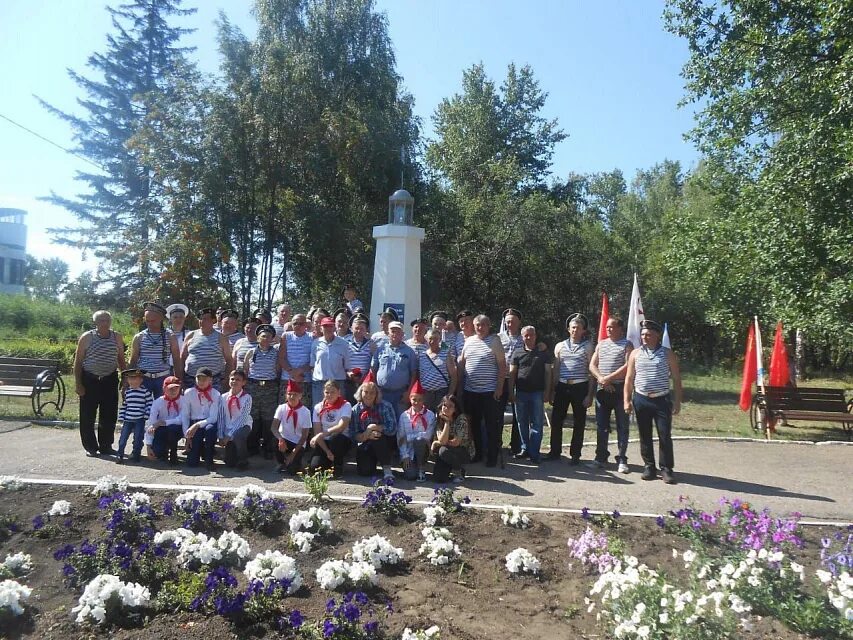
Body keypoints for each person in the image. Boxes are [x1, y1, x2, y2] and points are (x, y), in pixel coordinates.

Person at [624, 319, 682, 484]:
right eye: (643, 334)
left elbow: (677, 379)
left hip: (662, 400)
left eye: (648, 334)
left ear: (657, 335)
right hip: (641, 399)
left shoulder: (667, 353)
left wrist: (677, 402)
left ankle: (666, 469)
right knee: (644, 434)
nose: (645, 337)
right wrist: (626, 400)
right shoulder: (635, 354)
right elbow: (629, 379)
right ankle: (649, 466)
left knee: (664, 435)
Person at [73, 310, 127, 456]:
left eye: (107, 320)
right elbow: (78, 362)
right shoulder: (87, 337)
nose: (105, 323)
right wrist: (78, 383)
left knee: (109, 414)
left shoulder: (116, 337)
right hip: (89, 380)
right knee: (87, 415)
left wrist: (125, 378)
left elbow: (121, 359)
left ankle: (106, 445)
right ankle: (90, 447)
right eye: (101, 320)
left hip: (109, 379)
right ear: (95, 322)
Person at [459, 314, 506, 467]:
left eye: (483, 325)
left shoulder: (495, 341)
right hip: (471, 391)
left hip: (489, 391)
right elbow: (463, 363)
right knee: (474, 425)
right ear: (474, 326)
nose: (480, 327)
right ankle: (478, 454)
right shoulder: (469, 341)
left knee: (491, 425)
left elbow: (502, 365)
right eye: (477, 325)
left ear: (489, 326)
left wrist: (499, 387)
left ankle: (492, 456)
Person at [547, 313, 595, 464]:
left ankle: (575, 454)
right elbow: (556, 369)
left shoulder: (588, 347)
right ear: (569, 329)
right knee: (556, 420)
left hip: (580, 386)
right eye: (573, 327)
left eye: (578, 328)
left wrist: (590, 394)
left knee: (579, 421)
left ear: (583, 330)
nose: (575, 330)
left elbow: (592, 370)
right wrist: (553, 390)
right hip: (562, 386)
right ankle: (555, 452)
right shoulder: (560, 346)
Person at [589, 316, 633, 473]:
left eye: (612, 327)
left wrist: (608, 379)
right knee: (601, 426)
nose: (608, 329)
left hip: (620, 389)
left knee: (622, 426)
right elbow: (592, 365)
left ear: (620, 328)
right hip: (603, 390)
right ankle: (600, 457)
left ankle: (622, 459)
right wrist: (601, 379)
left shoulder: (627, 345)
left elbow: (628, 365)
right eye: (607, 327)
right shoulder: (601, 344)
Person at [509, 325, 553, 463]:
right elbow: (512, 374)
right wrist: (511, 391)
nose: (528, 337)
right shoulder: (516, 353)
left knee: (537, 423)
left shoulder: (543, 353)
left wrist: (547, 392)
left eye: (531, 335)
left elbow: (548, 373)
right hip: (520, 392)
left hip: (537, 393)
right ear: (522, 337)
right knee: (521, 423)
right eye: (526, 335)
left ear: (535, 336)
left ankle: (534, 453)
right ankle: (525, 449)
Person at [128, 302, 183, 398]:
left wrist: (178, 381)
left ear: (161, 318)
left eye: (153, 321)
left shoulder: (170, 336)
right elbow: (133, 361)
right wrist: (127, 381)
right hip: (143, 379)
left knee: (164, 408)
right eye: (147, 321)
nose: (149, 324)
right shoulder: (139, 337)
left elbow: (176, 360)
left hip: (163, 379)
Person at [349, 372, 397, 479]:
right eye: (366, 392)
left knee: (377, 436)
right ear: (361, 393)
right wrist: (366, 435)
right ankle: (373, 462)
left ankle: (387, 468)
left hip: (385, 441)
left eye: (372, 393)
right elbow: (353, 433)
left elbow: (392, 428)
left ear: (377, 394)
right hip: (365, 442)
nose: (369, 395)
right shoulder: (355, 410)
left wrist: (373, 427)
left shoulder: (385, 406)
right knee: (365, 471)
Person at [244, 323, 281, 458]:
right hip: (253, 387)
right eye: (263, 336)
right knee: (253, 418)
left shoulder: (276, 353)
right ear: (258, 337)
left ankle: (268, 448)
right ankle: (252, 447)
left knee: (268, 419)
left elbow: (277, 370)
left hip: (270, 388)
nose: (265, 339)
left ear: (272, 339)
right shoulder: (251, 352)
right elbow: (246, 370)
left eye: (268, 337)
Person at [371, 320, 418, 418]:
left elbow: (414, 374)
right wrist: (376, 390)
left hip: (401, 394)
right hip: (382, 393)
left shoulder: (409, 352)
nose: (395, 334)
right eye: (392, 331)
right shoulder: (380, 350)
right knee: (382, 419)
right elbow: (373, 370)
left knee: (401, 421)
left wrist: (408, 392)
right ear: (388, 333)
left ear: (402, 334)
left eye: (398, 331)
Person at [181, 307, 234, 390]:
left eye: (205, 319)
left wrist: (226, 379)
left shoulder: (221, 338)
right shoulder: (191, 335)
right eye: (200, 319)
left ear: (213, 320)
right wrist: (180, 379)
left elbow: (229, 360)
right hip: (191, 380)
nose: (201, 321)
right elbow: (182, 358)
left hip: (214, 381)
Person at [308, 380, 353, 478]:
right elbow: (317, 431)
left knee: (335, 438)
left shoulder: (346, 405)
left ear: (339, 392)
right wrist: (327, 451)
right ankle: (328, 461)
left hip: (340, 440)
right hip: (324, 442)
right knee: (314, 469)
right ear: (323, 393)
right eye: (327, 392)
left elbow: (341, 427)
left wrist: (322, 434)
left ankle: (338, 465)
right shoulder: (318, 407)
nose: (329, 395)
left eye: (333, 392)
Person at [181, 367, 221, 470]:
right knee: (192, 463)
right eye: (199, 379)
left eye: (204, 379)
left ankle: (209, 458)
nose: (201, 382)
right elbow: (185, 415)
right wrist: (187, 435)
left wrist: (197, 425)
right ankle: (199, 449)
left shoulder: (215, 394)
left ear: (210, 380)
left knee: (210, 430)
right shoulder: (188, 393)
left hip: (208, 423)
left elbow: (213, 417)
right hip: (194, 424)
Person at [398, 379, 436, 481]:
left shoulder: (430, 415)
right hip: (409, 452)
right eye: (414, 399)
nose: (417, 402)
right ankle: (412, 466)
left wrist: (408, 437)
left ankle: (422, 468)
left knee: (419, 440)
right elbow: (400, 438)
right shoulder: (404, 416)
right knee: (410, 476)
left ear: (424, 400)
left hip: (423, 449)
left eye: (420, 400)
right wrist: (405, 456)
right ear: (410, 399)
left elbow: (427, 435)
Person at [431, 395, 474, 484]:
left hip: (462, 450)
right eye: (444, 405)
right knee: (439, 479)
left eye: (450, 406)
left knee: (443, 451)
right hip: (447, 450)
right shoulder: (439, 418)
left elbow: (456, 443)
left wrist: (436, 443)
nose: (446, 408)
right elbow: (442, 440)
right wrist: (446, 423)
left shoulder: (461, 419)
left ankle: (459, 472)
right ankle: (448, 469)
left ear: (455, 409)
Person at [271, 379, 312, 475]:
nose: (292, 397)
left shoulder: (305, 411)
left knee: (292, 471)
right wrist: (280, 439)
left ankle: (296, 463)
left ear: (300, 396)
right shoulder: (281, 408)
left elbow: (304, 436)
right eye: (289, 394)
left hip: (298, 443)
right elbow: (273, 427)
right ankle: (281, 463)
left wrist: (293, 454)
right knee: (274, 440)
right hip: (284, 440)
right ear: (286, 395)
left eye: (295, 394)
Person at [499, 308, 524, 455]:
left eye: (513, 321)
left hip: (518, 379)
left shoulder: (524, 337)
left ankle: (516, 446)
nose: (510, 324)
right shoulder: (498, 337)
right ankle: (498, 444)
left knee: (518, 414)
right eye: (507, 321)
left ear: (519, 322)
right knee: (497, 414)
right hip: (502, 379)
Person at [310, 316, 351, 403]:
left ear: (334, 327)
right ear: (321, 328)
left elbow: (347, 365)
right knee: (318, 410)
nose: (328, 329)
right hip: (319, 383)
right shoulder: (316, 343)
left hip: (338, 383)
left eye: (330, 326)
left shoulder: (344, 344)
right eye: (325, 326)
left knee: (338, 409)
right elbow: (312, 365)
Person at [116, 368, 153, 464]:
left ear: (141, 380)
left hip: (139, 419)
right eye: (130, 379)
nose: (133, 381)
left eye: (135, 378)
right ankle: (120, 455)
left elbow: (149, 404)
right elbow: (125, 405)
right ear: (127, 380)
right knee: (123, 438)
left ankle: (136, 455)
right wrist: (121, 417)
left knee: (138, 438)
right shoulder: (128, 392)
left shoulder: (145, 391)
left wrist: (146, 415)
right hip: (128, 419)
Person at [146, 376, 185, 464]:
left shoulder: (184, 400)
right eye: (170, 388)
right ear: (164, 389)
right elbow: (151, 423)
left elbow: (182, 419)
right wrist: (148, 445)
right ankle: (163, 450)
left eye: (176, 388)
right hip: (161, 429)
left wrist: (164, 422)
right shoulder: (157, 402)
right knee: (157, 452)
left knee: (172, 429)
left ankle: (173, 453)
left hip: (178, 428)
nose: (173, 391)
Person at [418, 328, 457, 413]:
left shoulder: (446, 354)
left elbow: (453, 376)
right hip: (426, 394)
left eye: (435, 339)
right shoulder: (421, 355)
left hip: (442, 393)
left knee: (442, 419)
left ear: (439, 340)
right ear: (426, 339)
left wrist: (450, 394)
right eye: (430, 338)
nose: (432, 341)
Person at [220, 370, 253, 470]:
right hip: (228, 427)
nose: (234, 381)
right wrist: (221, 435)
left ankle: (243, 460)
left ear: (243, 382)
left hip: (243, 425)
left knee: (238, 436)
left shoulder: (247, 397)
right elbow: (221, 417)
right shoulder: (223, 397)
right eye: (232, 379)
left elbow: (243, 418)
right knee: (230, 463)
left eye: (238, 379)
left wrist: (229, 435)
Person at [278, 312, 313, 405]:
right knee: (285, 410)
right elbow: (281, 358)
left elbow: (313, 360)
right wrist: (292, 372)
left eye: (301, 323)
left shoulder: (312, 337)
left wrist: (300, 371)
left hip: (304, 379)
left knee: (304, 410)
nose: (297, 325)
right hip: (287, 379)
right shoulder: (286, 336)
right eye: (295, 323)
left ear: (305, 325)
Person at [344, 313, 374, 403]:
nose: (359, 331)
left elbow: (373, 362)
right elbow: (340, 361)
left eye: (362, 329)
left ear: (366, 330)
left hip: (365, 382)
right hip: (348, 382)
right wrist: (347, 373)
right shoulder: (345, 342)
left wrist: (367, 376)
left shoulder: (371, 344)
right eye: (356, 328)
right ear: (351, 328)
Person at [166, 303, 190, 371]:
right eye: (175, 317)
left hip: (184, 368)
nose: (178, 319)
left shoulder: (190, 334)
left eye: (181, 317)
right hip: (166, 369)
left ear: (184, 318)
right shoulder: (164, 334)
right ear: (170, 319)